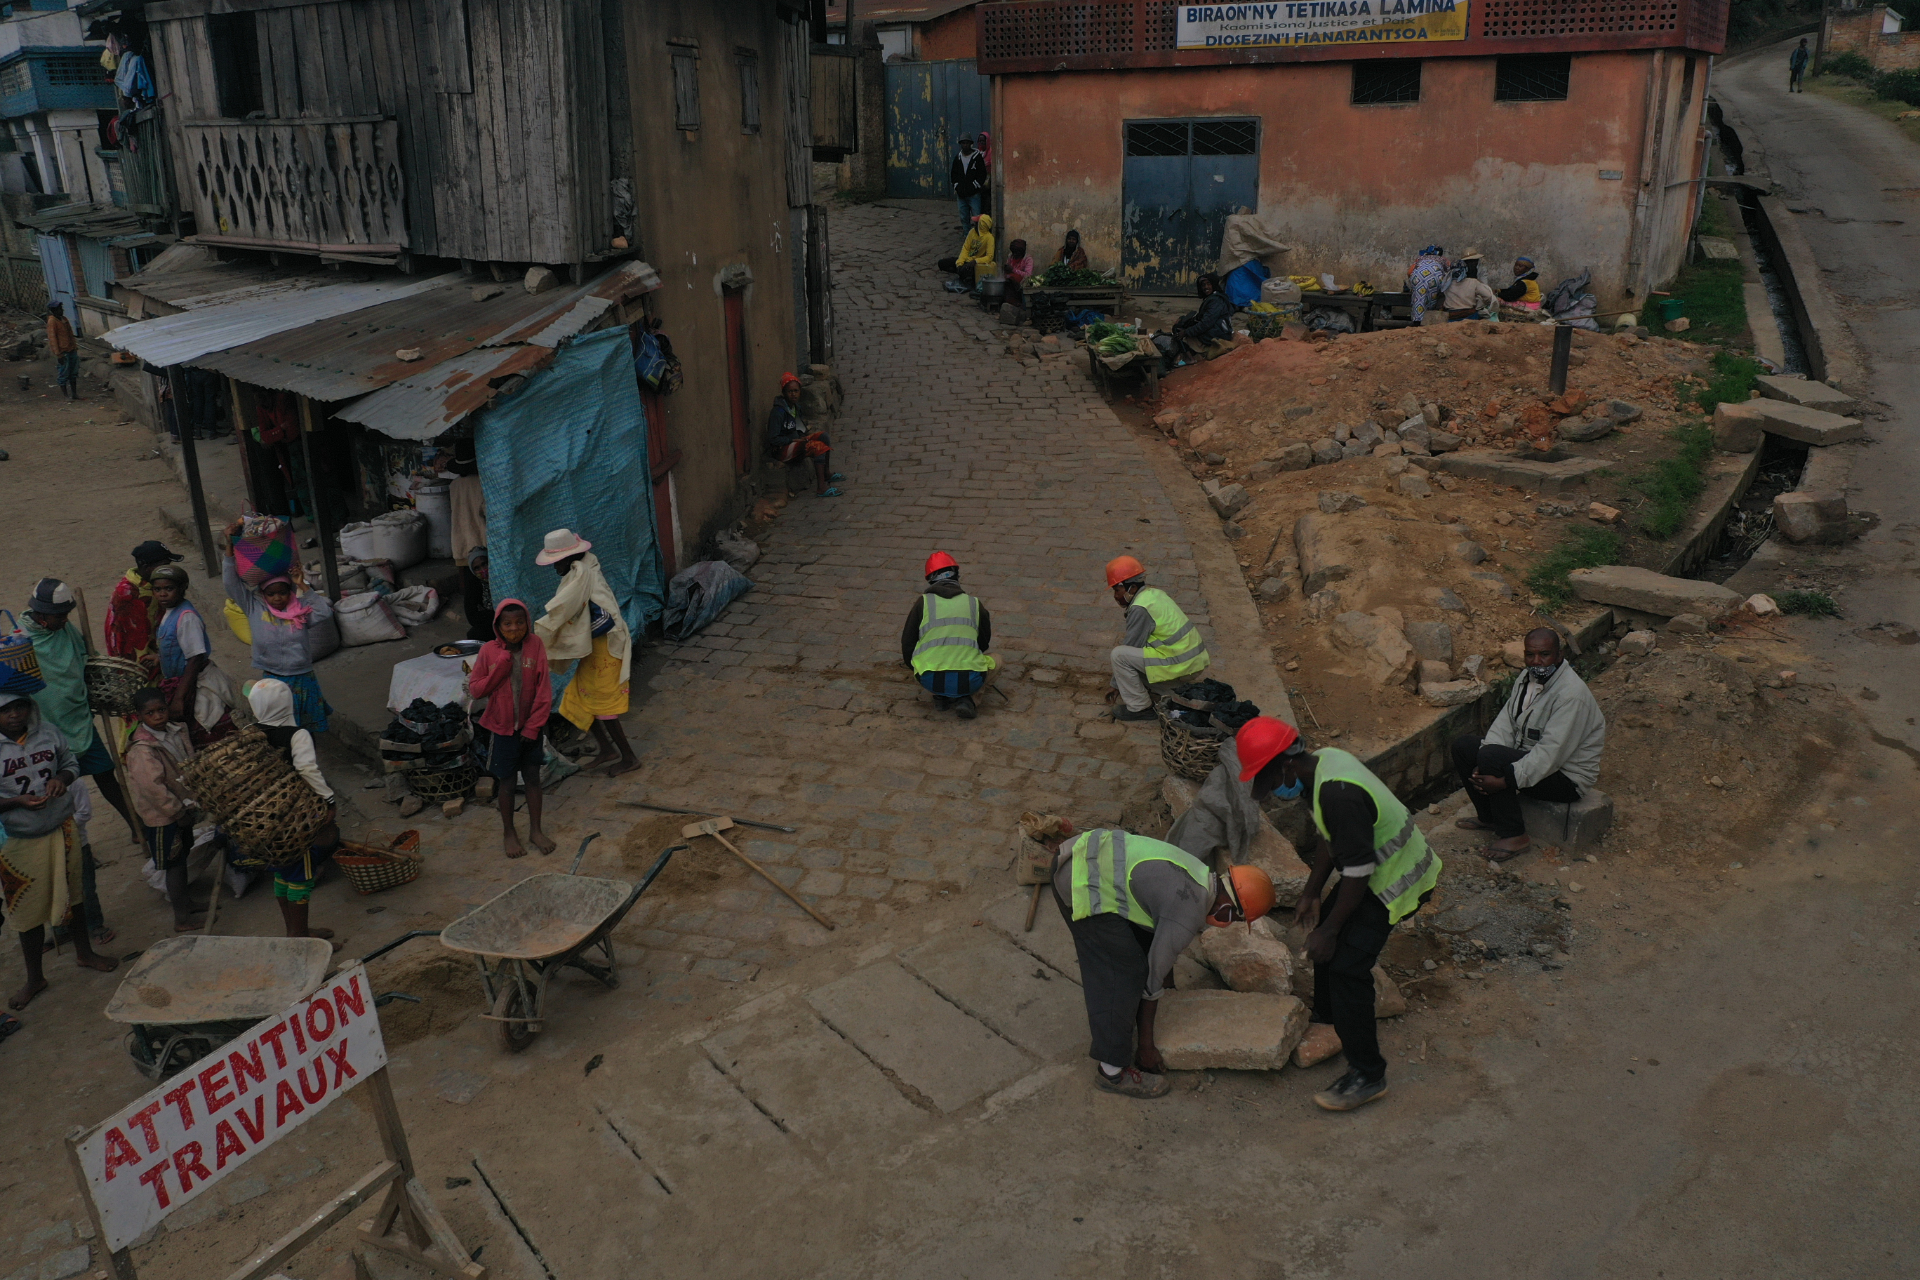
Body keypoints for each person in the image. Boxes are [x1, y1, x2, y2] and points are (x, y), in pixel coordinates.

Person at [1252, 716, 1441, 1112]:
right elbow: (1330, 835)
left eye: (1267, 780)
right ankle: (1328, 1016)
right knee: (1326, 936)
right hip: (1373, 870)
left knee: (1345, 966)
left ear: (1286, 764)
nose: (1268, 792)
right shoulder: (1322, 765)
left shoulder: (1338, 793)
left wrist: (1332, 930)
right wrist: (1311, 891)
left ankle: (1368, 1074)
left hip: (1396, 881)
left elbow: (1358, 870)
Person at [1033, 815, 1276, 1098]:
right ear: (1230, 909)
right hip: (1078, 881)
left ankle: (1117, 1038)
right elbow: (1151, 977)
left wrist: (1168, 987)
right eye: (1236, 919)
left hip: (1083, 854)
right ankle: (1111, 1071)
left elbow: (1160, 930)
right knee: (1124, 972)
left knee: (1137, 948)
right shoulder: (1190, 910)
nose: (1229, 923)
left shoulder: (1200, 874)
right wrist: (1146, 1048)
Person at [0, 690, 117, 1010]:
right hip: (20, 841)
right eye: (5, 710)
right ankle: (34, 977)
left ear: (29, 707)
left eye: (19, 706)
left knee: (75, 895)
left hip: (62, 829)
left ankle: (84, 952)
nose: (14, 715)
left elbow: (69, 763)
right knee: (26, 911)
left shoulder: (48, 732)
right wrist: (17, 801)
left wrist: (62, 779)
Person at [1452, 627, 1606, 858]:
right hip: (1533, 758)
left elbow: (1551, 754)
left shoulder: (1571, 695)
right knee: (1464, 747)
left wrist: (1507, 780)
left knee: (1491, 757)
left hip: (1566, 777)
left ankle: (1515, 835)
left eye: (1544, 654)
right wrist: (1482, 760)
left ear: (1559, 655)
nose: (1537, 662)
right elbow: (1505, 722)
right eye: (1530, 655)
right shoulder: (1528, 678)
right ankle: (1489, 818)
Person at [23, 578, 135, 838]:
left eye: (66, 615)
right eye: (59, 616)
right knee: (56, 789)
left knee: (105, 773)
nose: (64, 621)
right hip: (47, 727)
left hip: (78, 719)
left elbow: (84, 657)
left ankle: (134, 824)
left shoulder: (64, 630)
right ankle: (73, 843)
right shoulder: (23, 641)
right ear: (42, 616)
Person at [534, 529, 639, 777]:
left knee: (603, 705)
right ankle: (607, 749)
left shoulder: (584, 576)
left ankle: (629, 757)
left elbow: (595, 617)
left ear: (568, 558)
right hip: (596, 651)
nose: (554, 567)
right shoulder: (580, 572)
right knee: (578, 698)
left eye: (556, 562)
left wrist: (560, 635)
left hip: (606, 650)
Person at [246, 679, 339, 947]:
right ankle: (299, 938)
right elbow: (307, 769)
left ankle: (295, 930)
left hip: (263, 818)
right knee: (301, 875)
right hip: (295, 819)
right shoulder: (296, 735)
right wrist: (328, 800)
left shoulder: (249, 732)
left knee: (282, 872)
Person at [223, 518, 334, 732]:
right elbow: (230, 583)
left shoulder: (301, 610)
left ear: (290, 592)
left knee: (306, 728)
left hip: (302, 676)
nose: (277, 598)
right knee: (280, 727)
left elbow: (324, 611)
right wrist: (229, 546)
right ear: (262, 594)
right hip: (273, 676)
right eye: (271, 594)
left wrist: (302, 584)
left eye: (283, 592)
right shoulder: (254, 607)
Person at [467, 599, 555, 859]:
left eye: (519, 623)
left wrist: (533, 727)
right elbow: (477, 689)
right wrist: (501, 666)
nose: (514, 628)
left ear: (527, 623)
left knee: (532, 779)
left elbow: (544, 691)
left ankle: (535, 831)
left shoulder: (535, 645)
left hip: (531, 728)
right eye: (508, 624)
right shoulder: (489, 653)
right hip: (502, 728)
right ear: (498, 626)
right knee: (505, 783)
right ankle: (509, 832)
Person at [123, 687, 203, 931]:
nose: (158, 716)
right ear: (139, 716)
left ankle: (187, 903)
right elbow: (153, 789)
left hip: (182, 807)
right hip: (164, 817)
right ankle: (182, 918)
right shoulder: (142, 749)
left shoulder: (175, 731)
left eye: (161, 710)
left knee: (184, 853)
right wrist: (176, 811)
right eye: (150, 713)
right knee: (174, 865)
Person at [1103, 556, 1210, 723]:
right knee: (1135, 664)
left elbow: (1131, 644)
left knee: (1119, 656)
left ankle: (1140, 708)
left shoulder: (1140, 608)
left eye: (1117, 590)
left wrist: (1116, 685)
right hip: (1192, 662)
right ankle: (1175, 691)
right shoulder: (1155, 595)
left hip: (1181, 664)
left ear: (1130, 588)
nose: (1115, 596)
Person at [150, 565, 243, 745]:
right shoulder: (169, 613)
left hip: (196, 683)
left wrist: (179, 698)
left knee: (210, 731)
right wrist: (160, 658)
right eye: (158, 589)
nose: (162, 594)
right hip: (183, 683)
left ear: (182, 588)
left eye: (169, 589)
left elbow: (194, 658)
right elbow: (179, 646)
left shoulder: (186, 617)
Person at [901, 552, 997, 721]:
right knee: (997, 659)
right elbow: (983, 642)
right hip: (970, 679)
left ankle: (940, 697)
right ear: (957, 575)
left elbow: (907, 643)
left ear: (930, 579)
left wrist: (917, 668)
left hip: (929, 679)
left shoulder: (923, 603)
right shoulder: (973, 603)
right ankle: (969, 700)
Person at [105, 540, 183, 678]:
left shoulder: (151, 585)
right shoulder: (129, 596)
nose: (167, 571)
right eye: (163, 566)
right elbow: (133, 643)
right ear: (147, 568)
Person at [766, 372, 843, 498]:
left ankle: (826, 473)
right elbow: (773, 438)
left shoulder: (795, 408)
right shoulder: (778, 412)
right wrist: (793, 439)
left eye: (796, 391)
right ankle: (821, 488)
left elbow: (799, 428)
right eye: (790, 391)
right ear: (784, 393)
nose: (793, 394)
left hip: (794, 442)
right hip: (781, 449)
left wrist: (803, 437)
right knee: (817, 447)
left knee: (823, 436)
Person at [448, 446, 490, 641]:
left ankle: (476, 617)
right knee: (484, 582)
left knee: (470, 586)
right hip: (479, 537)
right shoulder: (481, 483)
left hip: (461, 538)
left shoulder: (454, 485)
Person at [1169, 273, 1234, 351]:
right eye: (1203, 285)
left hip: (1218, 334)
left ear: (1213, 284)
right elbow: (1202, 317)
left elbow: (1206, 323)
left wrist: (1186, 332)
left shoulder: (1216, 301)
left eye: (1208, 284)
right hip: (1214, 330)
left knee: (1181, 334)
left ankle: (1188, 357)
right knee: (1180, 325)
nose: (1206, 287)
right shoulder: (1211, 298)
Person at [938, 213, 996, 288]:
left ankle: (965, 276)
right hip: (966, 261)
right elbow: (965, 248)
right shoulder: (972, 232)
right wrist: (960, 263)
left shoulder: (989, 238)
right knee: (942, 263)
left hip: (976, 265)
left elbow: (989, 257)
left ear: (981, 225)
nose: (974, 224)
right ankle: (962, 273)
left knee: (967, 271)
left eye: (976, 223)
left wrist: (975, 261)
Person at [949, 135, 986, 228]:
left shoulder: (977, 158)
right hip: (961, 195)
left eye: (967, 143)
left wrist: (975, 186)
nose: (965, 145)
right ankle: (967, 236)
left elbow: (982, 174)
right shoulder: (958, 158)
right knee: (964, 217)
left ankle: (978, 237)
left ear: (971, 144)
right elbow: (954, 174)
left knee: (977, 217)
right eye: (963, 143)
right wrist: (957, 186)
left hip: (974, 194)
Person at [1405, 246, 1449, 324]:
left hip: (1417, 276)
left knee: (1418, 299)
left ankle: (1417, 321)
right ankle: (1429, 321)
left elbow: (1409, 272)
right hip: (1435, 276)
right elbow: (1449, 272)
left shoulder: (1420, 258)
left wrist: (1412, 285)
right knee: (1432, 298)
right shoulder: (1444, 259)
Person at [47, 302, 80, 400]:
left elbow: (70, 334)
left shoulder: (64, 319)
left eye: (61, 308)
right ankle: (66, 395)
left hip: (71, 349)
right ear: (53, 311)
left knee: (73, 373)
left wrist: (74, 346)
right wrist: (58, 354)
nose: (61, 310)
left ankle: (74, 394)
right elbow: (52, 339)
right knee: (63, 374)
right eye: (59, 309)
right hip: (63, 352)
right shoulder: (52, 322)